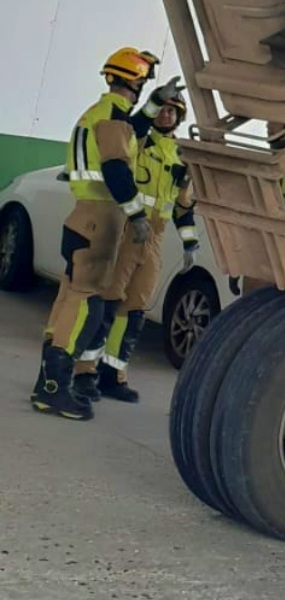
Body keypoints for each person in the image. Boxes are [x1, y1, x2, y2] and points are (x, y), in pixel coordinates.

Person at [31, 47, 185, 420]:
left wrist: (153, 103)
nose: (142, 88)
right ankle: (56, 389)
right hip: (101, 219)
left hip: (84, 216)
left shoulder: (100, 113)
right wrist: (136, 215)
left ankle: (46, 383)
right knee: (87, 305)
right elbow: (117, 169)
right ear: (132, 80)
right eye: (142, 81)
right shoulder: (111, 117)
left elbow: (133, 129)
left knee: (69, 300)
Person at [73, 97, 199, 404]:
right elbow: (131, 131)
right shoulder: (138, 140)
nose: (166, 114)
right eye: (163, 109)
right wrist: (151, 105)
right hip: (127, 230)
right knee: (106, 302)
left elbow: (183, 205)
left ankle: (113, 375)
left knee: (134, 309)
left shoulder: (182, 156)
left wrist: (189, 242)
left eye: (173, 110)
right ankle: (84, 373)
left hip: (154, 239)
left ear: (180, 116)